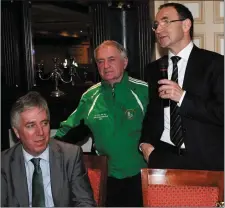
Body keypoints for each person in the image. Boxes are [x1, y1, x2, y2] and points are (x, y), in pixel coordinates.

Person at [54, 40, 148, 207]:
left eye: (111, 59)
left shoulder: (144, 91)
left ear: (124, 62)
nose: (106, 66)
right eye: (100, 61)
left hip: (141, 177)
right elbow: (67, 133)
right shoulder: (90, 97)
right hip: (106, 178)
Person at [140, 2, 224, 171]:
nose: (158, 29)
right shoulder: (154, 68)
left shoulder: (215, 63)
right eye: (156, 25)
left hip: (204, 161)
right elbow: (153, 112)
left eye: (165, 21)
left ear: (186, 25)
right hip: (162, 157)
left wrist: (183, 97)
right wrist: (145, 144)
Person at [1, 91, 96, 207]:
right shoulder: (4, 164)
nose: (40, 132)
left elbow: (85, 203)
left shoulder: (70, 156)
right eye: (31, 125)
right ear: (17, 132)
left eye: (44, 123)